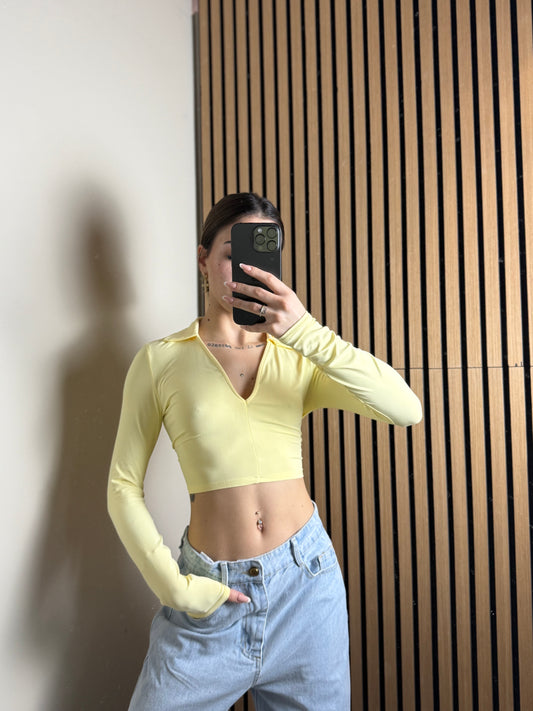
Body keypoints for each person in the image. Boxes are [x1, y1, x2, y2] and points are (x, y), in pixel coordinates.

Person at [107, 192, 422, 711]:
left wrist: (304, 330)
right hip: (210, 598)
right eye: (233, 254)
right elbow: (122, 487)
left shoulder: (299, 355)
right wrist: (175, 588)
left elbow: (405, 408)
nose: (246, 271)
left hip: (307, 590)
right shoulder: (160, 361)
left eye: (261, 257)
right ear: (203, 258)